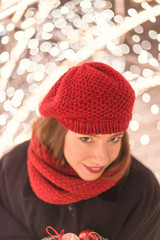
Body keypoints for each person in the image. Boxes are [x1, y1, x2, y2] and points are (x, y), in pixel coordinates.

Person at [0, 62, 160, 240]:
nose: (101, 158)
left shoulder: (141, 190)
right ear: (60, 131)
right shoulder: (13, 169)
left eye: (114, 139)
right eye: (86, 138)